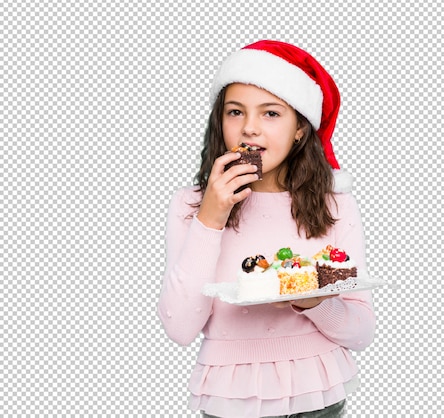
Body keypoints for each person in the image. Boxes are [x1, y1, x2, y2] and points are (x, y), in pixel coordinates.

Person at [157, 40, 376, 418]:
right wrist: (211, 217)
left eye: (271, 113)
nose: (250, 130)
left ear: (300, 130)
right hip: (231, 401)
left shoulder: (334, 204)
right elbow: (180, 328)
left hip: (319, 397)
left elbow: (361, 333)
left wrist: (314, 302)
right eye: (235, 112)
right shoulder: (190, 204)